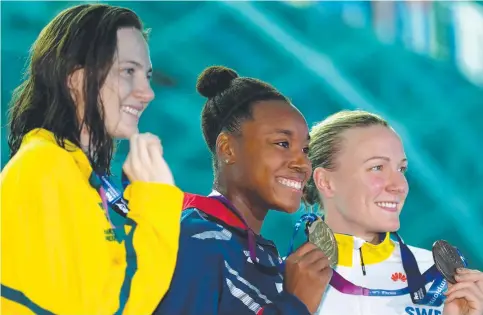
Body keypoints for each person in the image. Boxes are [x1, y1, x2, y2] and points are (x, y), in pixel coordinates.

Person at [1, 4, 183, 315]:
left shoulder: (81, 181)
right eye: (129, 72)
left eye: (147, 76)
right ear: (76, 78)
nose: (147, 92)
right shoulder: (44, 167)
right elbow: (106, 307)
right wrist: (156, 202)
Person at [155, 65, 332, 315]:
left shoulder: (271, 264)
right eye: (283, 143)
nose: (302, 164)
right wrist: (296, 304)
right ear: (228, 149)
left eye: (305, 150)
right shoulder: (195, 240)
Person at [302, 110, 483, 315]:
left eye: (401, 169)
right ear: (326, 182)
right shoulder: (279, 286)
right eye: (377, 167)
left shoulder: (444, 281)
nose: (400, 185)